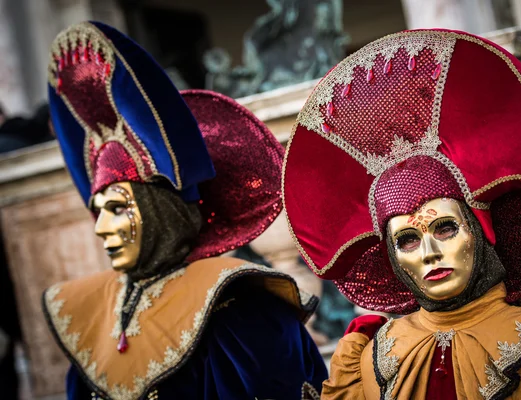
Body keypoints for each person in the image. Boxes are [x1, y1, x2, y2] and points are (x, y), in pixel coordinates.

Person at [283, 29, 521, 398]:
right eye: (407, 240)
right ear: (393, 258)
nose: (429, 252)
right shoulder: (368, 358)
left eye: (445, 228)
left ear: (480, 231)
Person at [41, 21, 326, 400]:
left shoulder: (237, 311)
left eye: (117, 208)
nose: (101, 228)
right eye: (99, 211)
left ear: (159, 211)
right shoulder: (91, 317)